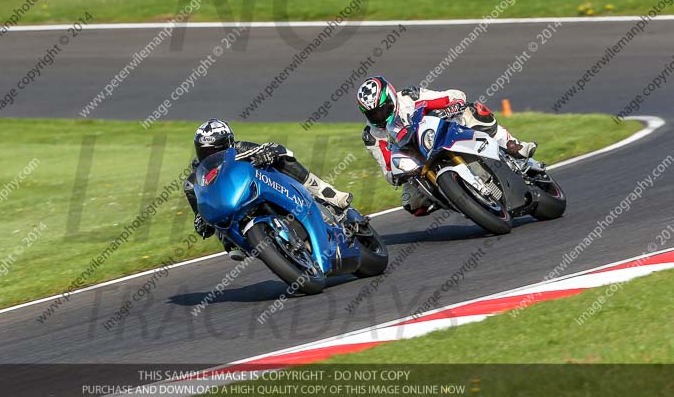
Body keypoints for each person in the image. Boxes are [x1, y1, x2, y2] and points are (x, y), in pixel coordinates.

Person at [356, 76, 537, 216]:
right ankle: (457, 199)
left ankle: (512, 144)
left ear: (391, 97)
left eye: (382, 109)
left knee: (474, 110)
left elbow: (454, 96)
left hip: (442, 134)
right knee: (412, 203)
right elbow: (387, 169)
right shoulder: (371, 135)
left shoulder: (410, 96)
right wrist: (396, 175)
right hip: (417, 162)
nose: (379, 116)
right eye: (373, 114)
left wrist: (450, 106)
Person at [183, 118, 352, 261]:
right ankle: (234, 242)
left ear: (228, 144)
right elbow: (199, 211)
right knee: (213, 217)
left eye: (215, 150)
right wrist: (200, 221)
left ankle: (328, 193)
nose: (211, 156)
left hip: (260, 188)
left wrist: (268, 152)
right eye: (205, 151)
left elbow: (278, 149)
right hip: (231, 207)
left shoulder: (240, 147)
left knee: (282, 160)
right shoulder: (196, 177)